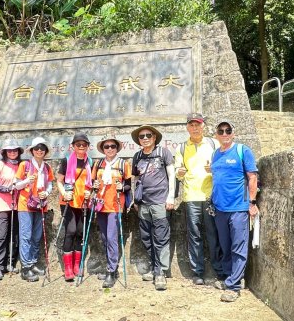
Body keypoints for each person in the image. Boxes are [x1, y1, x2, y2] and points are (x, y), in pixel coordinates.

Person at [207, 120, 259, 303]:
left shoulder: (242, 150)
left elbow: (252, 178)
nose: (224, 134)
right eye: (221, 131)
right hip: (220, 208)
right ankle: (231, 277)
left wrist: (252, 203)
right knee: (225, 245)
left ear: (233, 133)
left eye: (228, 130)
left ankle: (234, 286)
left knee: (238, 246)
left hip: (238, 207)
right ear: (216, 135)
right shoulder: (215, 154)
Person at [174, 113, 224, 285]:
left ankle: (219, 270)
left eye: (198, 125)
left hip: (211, 195)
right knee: (194, 235)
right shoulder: (181, 148)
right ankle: (198, 272)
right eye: (191, 125)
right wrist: (179, 173)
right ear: (187, 127)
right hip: (191, 197)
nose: (195, 128)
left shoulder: (214, 144)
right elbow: (178, 172)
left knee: (213, 234)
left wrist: (214, 168)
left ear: (203, 126)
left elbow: (222, 165)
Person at [131, 125, 175, 291]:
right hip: (143, 203)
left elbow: (172, 176)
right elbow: (135, 179)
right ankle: (154, 266)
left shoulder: (163, 153)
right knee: (146, 237)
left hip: (160, 202)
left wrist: (170, 197)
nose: (145, 138)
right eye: (142, 136)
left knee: (161, 237)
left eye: (148, 135)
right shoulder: (137, 156)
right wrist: (135, 199)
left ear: (155, 137)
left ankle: (160, 272)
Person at [91, 134, 132, 288]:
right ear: (103, 149)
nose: (109, 149)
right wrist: (94, 186)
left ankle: (111, 270)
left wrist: (123, 187)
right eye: (106, 146)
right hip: (101, 205)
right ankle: (111, 267)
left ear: (117, 148)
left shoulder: (123, 164)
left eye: (112, 146)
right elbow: (93, 183)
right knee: (104, 238)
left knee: (112, 238)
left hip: (115, 205)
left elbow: (128, 184)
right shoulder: (98, 164)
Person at [14, 137, 55, 282]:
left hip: (40, 204)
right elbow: (16, 185)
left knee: (37, 236)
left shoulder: (47, 167)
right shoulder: (24, 165)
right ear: (32, 150)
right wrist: (27, 181)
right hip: (25, 204)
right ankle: (25, 267)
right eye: (36, 148)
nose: (39, 151)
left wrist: (47, 192)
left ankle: (33, 262)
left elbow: (50, 184)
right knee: (25, 235)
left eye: (42, 148)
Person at [56, 132, 93, 282]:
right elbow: (59, 181)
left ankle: (77, 265)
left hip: (84, 201)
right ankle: (68, 268)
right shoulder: (66, 161)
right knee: (70, 231)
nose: (81, 147)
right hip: (68, 201)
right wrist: (65, 193)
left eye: (84, 144)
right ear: (73, 146)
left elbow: (92, 182)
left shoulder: (90, 161)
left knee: (80, 232)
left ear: (88, 147)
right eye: (78, 144)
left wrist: (89, 192)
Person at [0, 140, 23, 281]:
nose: (12, 152)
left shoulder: (21, 166)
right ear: (4, 152)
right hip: (2, 204)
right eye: (9, 150)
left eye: (15, 150)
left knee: (14, 236)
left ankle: (10, 262)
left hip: (17, 205)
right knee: (1, 235)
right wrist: (7, 189)